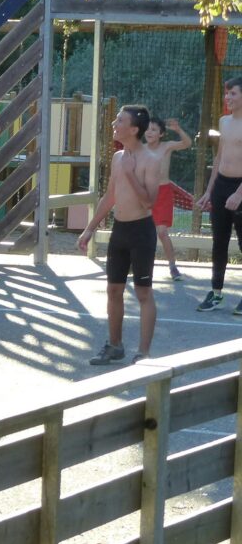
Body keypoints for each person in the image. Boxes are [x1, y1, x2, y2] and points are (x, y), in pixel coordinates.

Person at [78, 106, 161, 363]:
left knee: (143, 293)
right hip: (120, 231)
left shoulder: (150, 160)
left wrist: (130, 173)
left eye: (120, 120)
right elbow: (110, 196)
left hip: (141, 232)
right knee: (114, 290)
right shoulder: (118, 157)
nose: (114, 123)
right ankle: (114, 345)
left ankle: (143, 353)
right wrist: (90, 228)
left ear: (134, 129)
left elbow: (149, 202)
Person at [196, 78, 242, 313]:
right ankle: (216, 293)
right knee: (219, 242)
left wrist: (239, 194)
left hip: (240, 188)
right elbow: (219, 158)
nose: (228, 98)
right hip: (221, 186)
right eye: (226, 93)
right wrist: (209, 191)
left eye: (233, 93)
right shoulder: (224, 121)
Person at [144, 117, 192, 281]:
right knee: (143, 232)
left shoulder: (167, 146)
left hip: (163, 193)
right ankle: (139, 265)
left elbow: (187, 143)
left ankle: (172, 267)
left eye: (154, 129)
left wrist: (178, 130)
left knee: (162, 232)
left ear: (161, 134)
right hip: (146, 194)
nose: (149, 132)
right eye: (147, 129)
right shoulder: (140, 149)